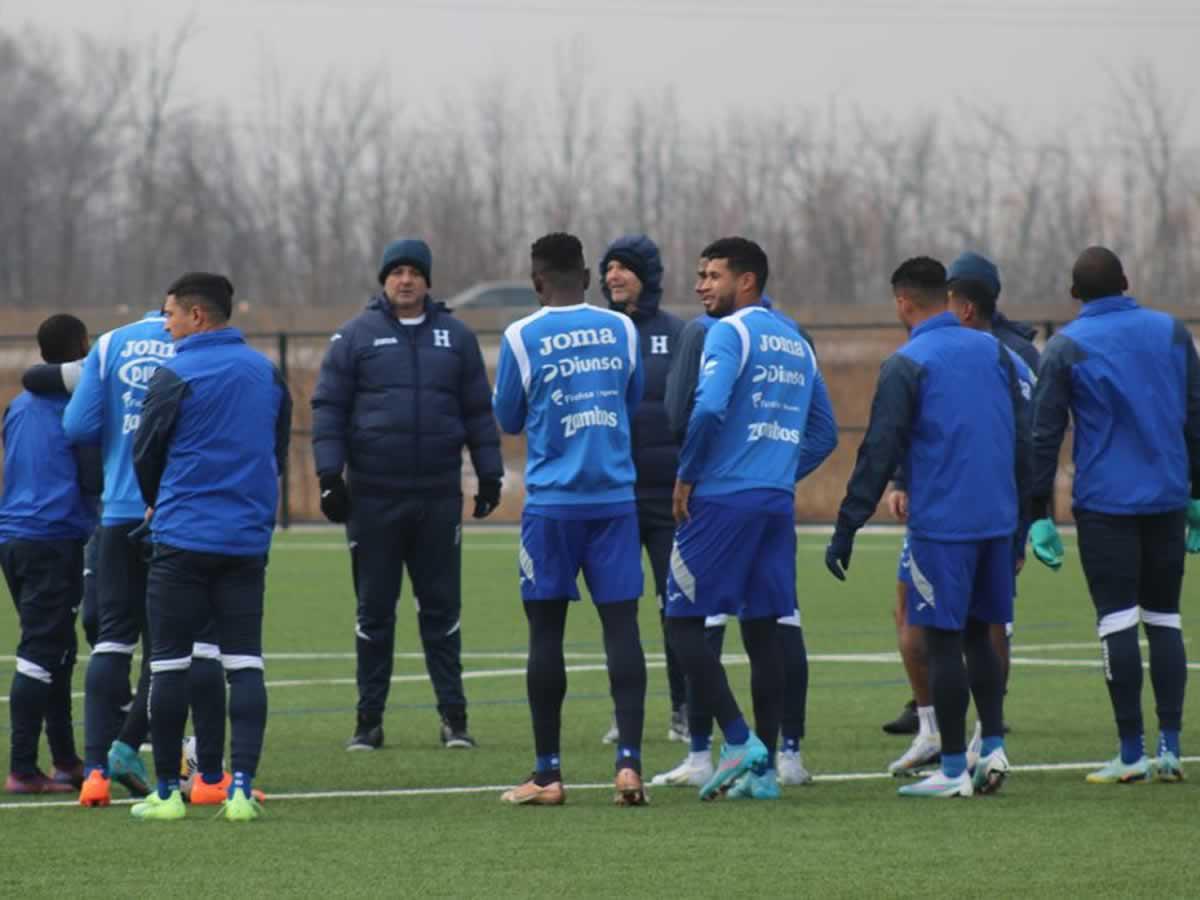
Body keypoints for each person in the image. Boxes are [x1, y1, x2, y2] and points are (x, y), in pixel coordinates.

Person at [827, 256, 1029, 798]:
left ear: (902, 302)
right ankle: (992, 750)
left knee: (942, 641)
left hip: (943, 525)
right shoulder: (996, 352)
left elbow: (879, 449)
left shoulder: (907, 362)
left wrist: (848, 524)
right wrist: (1024, 521)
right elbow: (1022, 435)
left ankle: (954, 770)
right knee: (980, 637)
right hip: (996, 520)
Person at [29, 286, 228, 808]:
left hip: (117, 512)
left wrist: (122, 435)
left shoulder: (112, 343)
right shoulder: (199, 347)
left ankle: (95, 772)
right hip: (178, 514)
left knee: (113, 642)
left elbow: (77, 426)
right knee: (189, 646)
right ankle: (203, 771)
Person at [312, 238, 503, 752]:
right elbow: (328, 409)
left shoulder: (456, 338)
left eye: (414, 271)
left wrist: (489, 475)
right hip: (373, 499)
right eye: (396, 271)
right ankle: (368, 723)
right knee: (374, 613)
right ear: (383, 280)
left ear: (427, 280)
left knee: (442, 612)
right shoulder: (355, 336)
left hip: (438, 497)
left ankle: (454, 720)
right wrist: (329, 477)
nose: (405, 280)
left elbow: (478, 414)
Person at [665, 237, 837, 801]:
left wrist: (689, 473)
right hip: (773, 504)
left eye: (712, 275)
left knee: (682, 624)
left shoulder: (729, 332)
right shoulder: (796, 341)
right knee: (764, 631)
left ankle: (738, 742)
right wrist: (780, 469)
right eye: (699, 274)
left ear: (747, 282)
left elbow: (709, 405)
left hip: (720, 500)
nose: (700, 285)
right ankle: (763, 773)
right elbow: (825, 434)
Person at [1029, 246, 1196, 784]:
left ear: (1074, 295)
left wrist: (1039, 513)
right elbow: (1196, 416)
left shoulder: (1066, 345)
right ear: (1126, 281)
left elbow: (1044, 434)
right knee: (1165, 618)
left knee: (1118, 620)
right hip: (1169, 498)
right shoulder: (1173, 332)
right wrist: (1197, 493)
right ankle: (1171, 749)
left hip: (1105, 505)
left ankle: (1131, 753)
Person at [492, 232, 648, 807]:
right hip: (615, 501)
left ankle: (548, 773)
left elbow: (508, 417)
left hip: (553, 507)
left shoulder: (521, 335)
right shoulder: (622, 328)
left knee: (546, 635)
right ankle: (629, 764)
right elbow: (630, 403)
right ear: (586, 276)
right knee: (622, 629)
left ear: (536, 281)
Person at [130, 273, 291, 821]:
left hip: (182, 537)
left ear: (198, 316)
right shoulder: (267, 373)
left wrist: (157, 501)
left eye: (170, 313)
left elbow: (145, 454)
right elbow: (277, 448)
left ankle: (167, 794)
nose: (167, 323)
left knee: (169, 664)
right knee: (245, 663)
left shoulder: (173, 372)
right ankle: (240, 790)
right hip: (245, 540)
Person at [883, 252, 1038, 776]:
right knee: (920, 611)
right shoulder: (963, 348)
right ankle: (946, 729)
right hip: (973, 509)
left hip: (957, 515)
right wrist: (903, 480)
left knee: (965, 628)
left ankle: (968, 747)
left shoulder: (1005, 354)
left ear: (965, 304)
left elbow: (1016, 436)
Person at [1, 315, 98, 794]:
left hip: (14, 540)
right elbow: (91, 479)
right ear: (82, 346)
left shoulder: (17, 406)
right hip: (52, 538)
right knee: (42, 652)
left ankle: (64, 759)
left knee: (58, 649)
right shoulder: (78, 408)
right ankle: (21, 767)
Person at [597, 234, 688, 745]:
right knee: (618, 608)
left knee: (675, 605)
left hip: (669, 496)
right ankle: (624, 713)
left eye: (624, 268)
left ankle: (682, 708)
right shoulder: (597, 332)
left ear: (647, 276)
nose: (613, 277)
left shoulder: (678, 334)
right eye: (608, 268)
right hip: (613, 494)